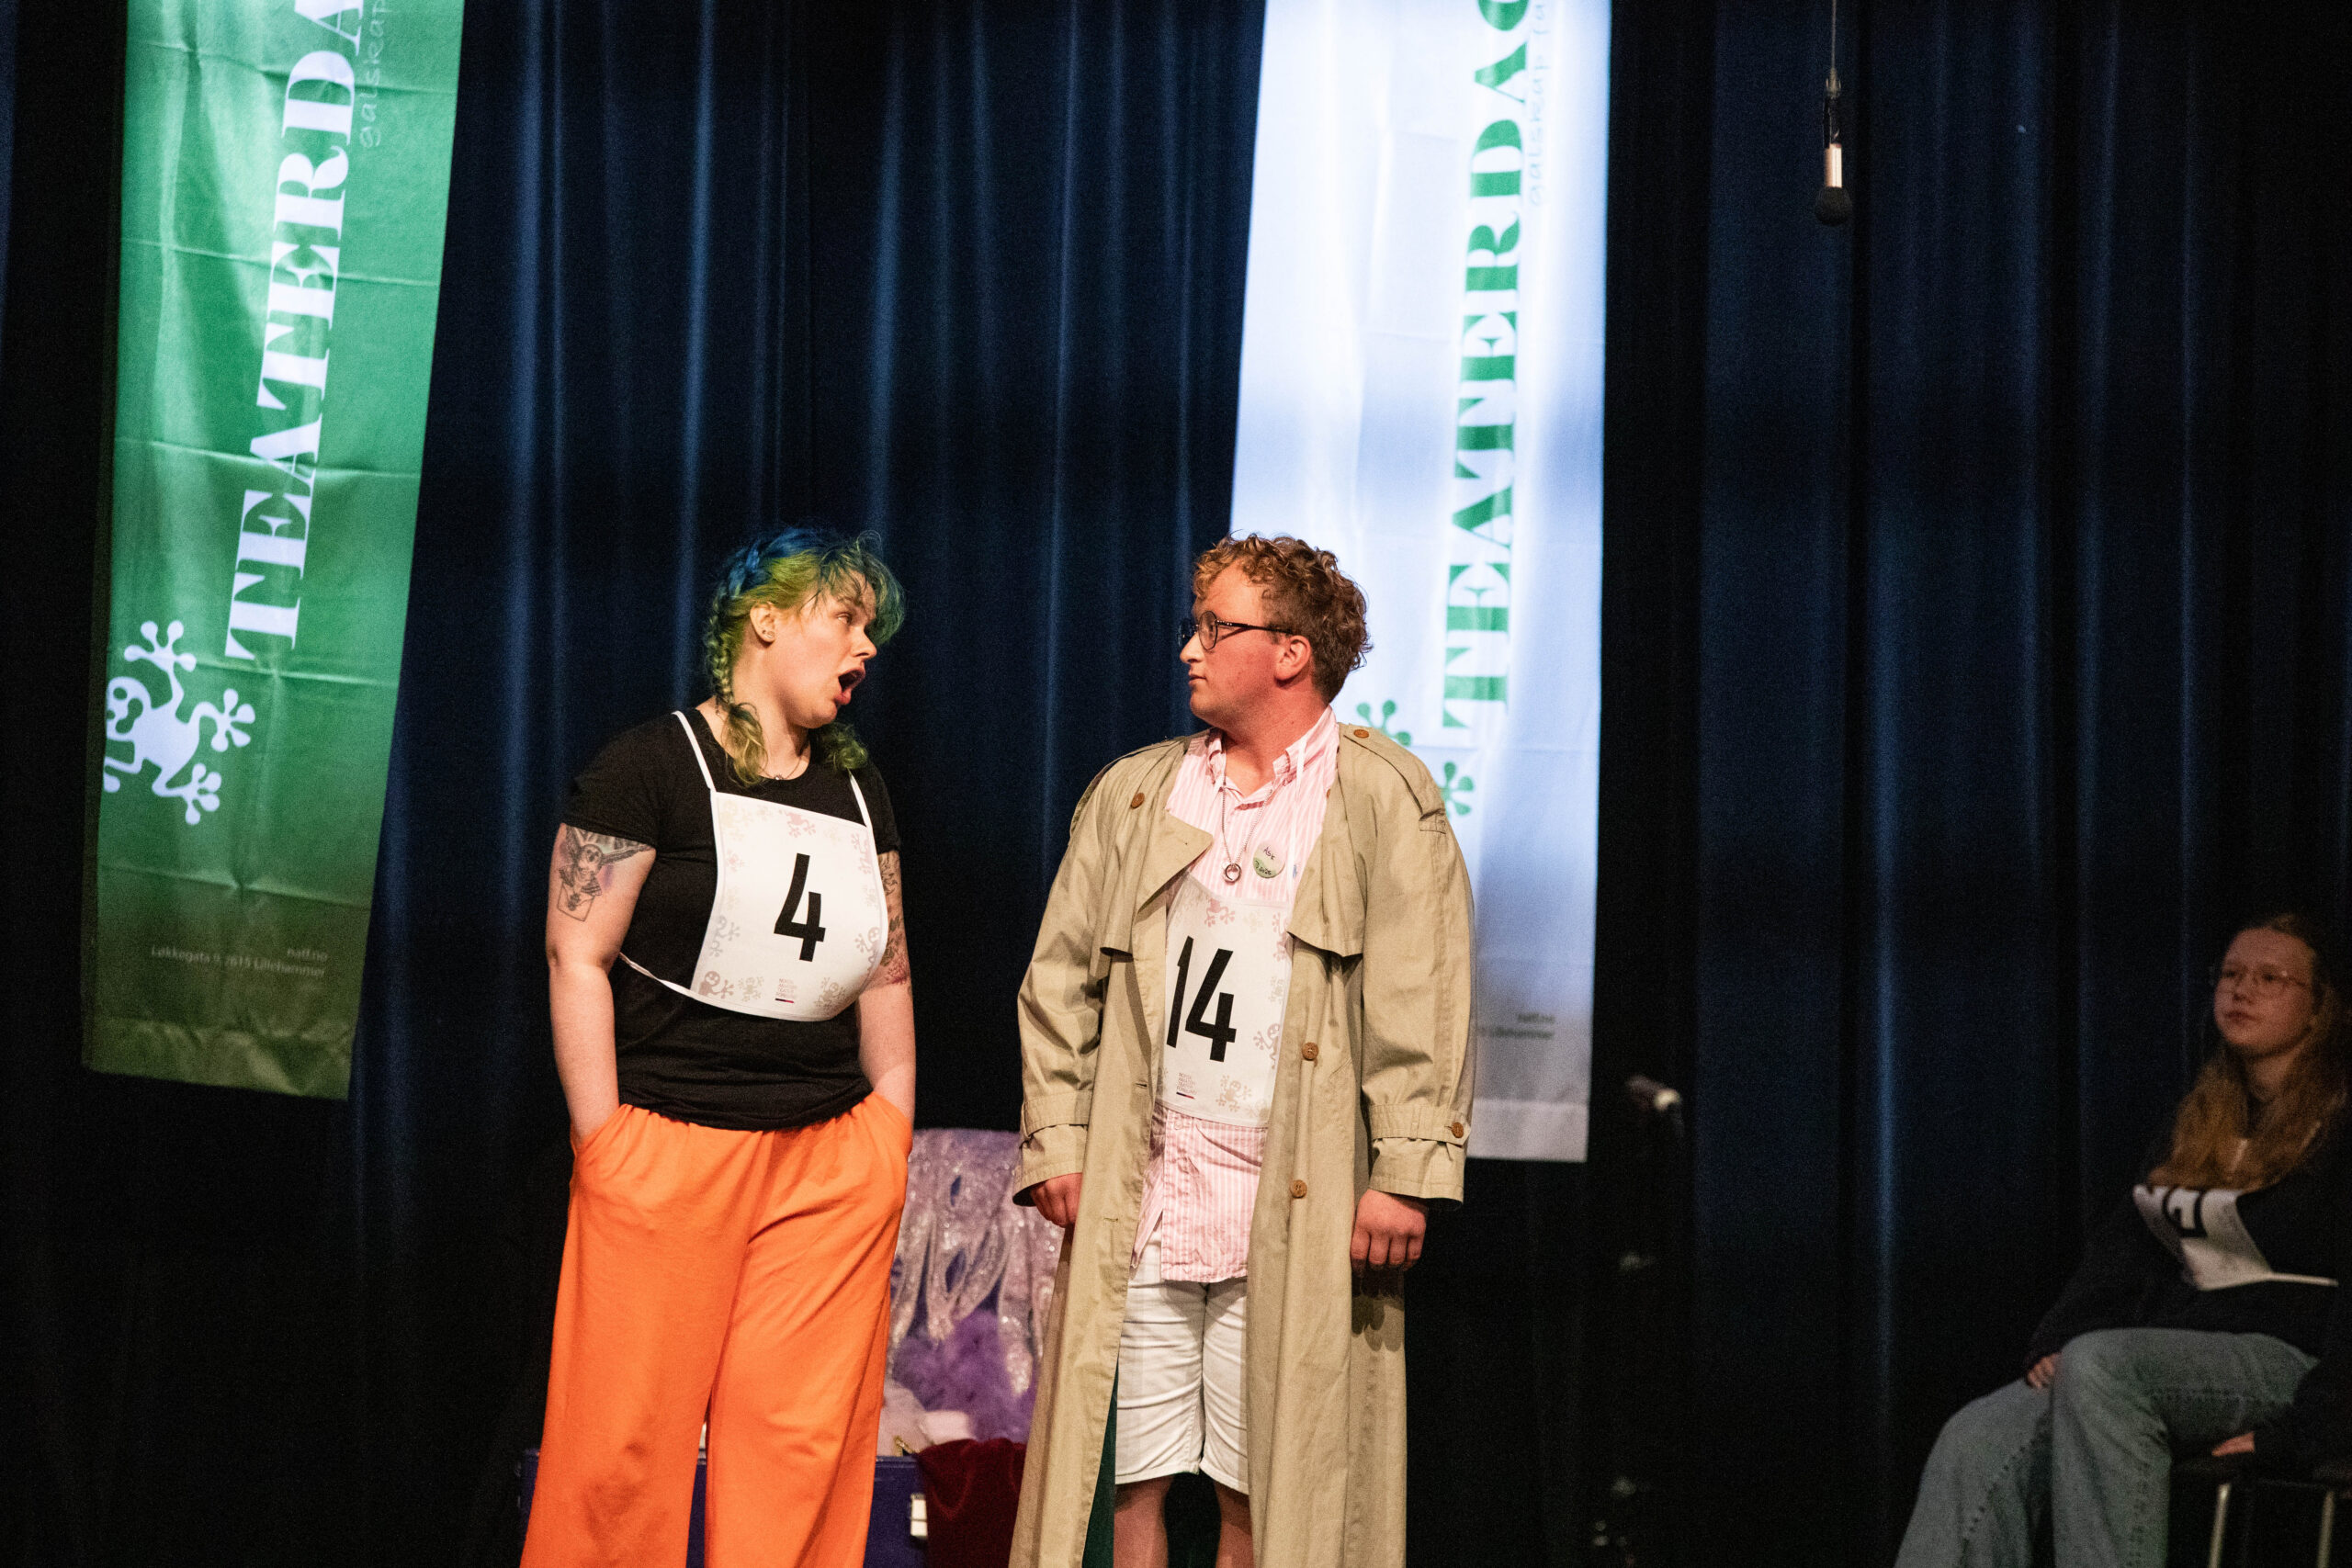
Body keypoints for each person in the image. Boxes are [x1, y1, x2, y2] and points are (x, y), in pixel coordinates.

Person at [1009, 536, 1476, 1568]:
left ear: (1291, 653)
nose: (1190, 647)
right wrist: (1060, 1137)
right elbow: (1060, 981)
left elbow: (1425, 990)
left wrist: (1405, 1170)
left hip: (1293, 1196)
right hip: (1149, 1187)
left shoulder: (1379, 796)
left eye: (1216, 627)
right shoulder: (1138, 792)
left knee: (1267, 1489)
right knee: (1119, 1478)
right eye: (1197, 624)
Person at [521, 530, 916, 1568]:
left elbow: (887, 970)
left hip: (829, 1163)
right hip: (669, 1151)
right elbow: (574, 953)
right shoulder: (648, 765)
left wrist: (890, 1125)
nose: (866, 645)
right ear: (766, 620)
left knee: (799, 1458)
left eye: (871, 627)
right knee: (619, 1457)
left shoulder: (859, 788)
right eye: (846, 618)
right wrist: (604, 1141)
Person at [1895, 910, 2352, 1568]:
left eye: (2270, 978)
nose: (2241, 989)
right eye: (2230, 974)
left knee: (2105, 1366)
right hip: (2174, 1352)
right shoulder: (2200, 1121)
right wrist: (2059, 1338)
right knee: (1979, 1433)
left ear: (2317, 1011)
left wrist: (2309, 1429)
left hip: (2295, 1358)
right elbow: (2124, 1250)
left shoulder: (2339, 1124)